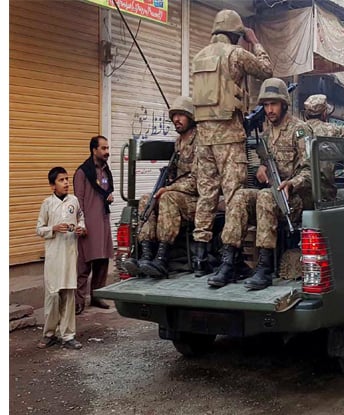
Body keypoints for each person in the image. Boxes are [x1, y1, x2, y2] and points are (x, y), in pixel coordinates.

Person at [209, 78, 314, 290]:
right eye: (266, 105)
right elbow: (264, 163)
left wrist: (291, 183)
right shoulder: (265, 134)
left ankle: (264, 267)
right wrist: (261, 169)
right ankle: (229, 262)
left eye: (273, 104)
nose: (269, 110)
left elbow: (310, 170)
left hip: (293, 201)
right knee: (239, 196)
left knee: (266, 196)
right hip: (270, 197)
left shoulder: (300, 130)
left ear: (284, 104)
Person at [191, 9, 273, 276]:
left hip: (203, 137)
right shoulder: (235, 53)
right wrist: (255, 40)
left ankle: (201, 257)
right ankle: (231, 257)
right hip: (228, 135)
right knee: (234, 196)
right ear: (236, 35)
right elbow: (266, 70)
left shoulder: (199, 56)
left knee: (207, 195)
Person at [122, 96, 201, 278]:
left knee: (166, 197)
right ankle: (146, 255)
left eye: (181, 115)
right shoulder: (178, 143)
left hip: (197, 199)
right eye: (174, 116)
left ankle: (162, 258)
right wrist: (166, 182)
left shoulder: (200, 142)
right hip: (179, 197)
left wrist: (170, 189)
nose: (176, 120)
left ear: (190, 117)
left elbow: (198, 180)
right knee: (146, 200)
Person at [36, 167, 86, 350]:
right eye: (61, 180)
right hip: (54, 256)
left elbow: (81, 219)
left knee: (69, 294)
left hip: (70, 254)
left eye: (67, 179)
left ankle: (68, 335)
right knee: (53, 295)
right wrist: (53, 228)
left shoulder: (74, 201)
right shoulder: (47, 204)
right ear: (52, 185)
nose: (66, 183)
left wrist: (81, 228)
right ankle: (49, 334)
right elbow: (39, 229)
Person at [74, 135, 114, 315]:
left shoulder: (105, 171)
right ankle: (78, 300)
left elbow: (105, 191)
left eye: (107, 148)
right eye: (103, 148)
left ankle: (97, 295)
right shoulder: (83, 172)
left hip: (103, 222)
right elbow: (78, 201)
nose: (107, 152)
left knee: (102, 261)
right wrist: (81, 223)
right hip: (88, 224)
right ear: (94, 150)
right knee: (84, 264)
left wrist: (109, 197)